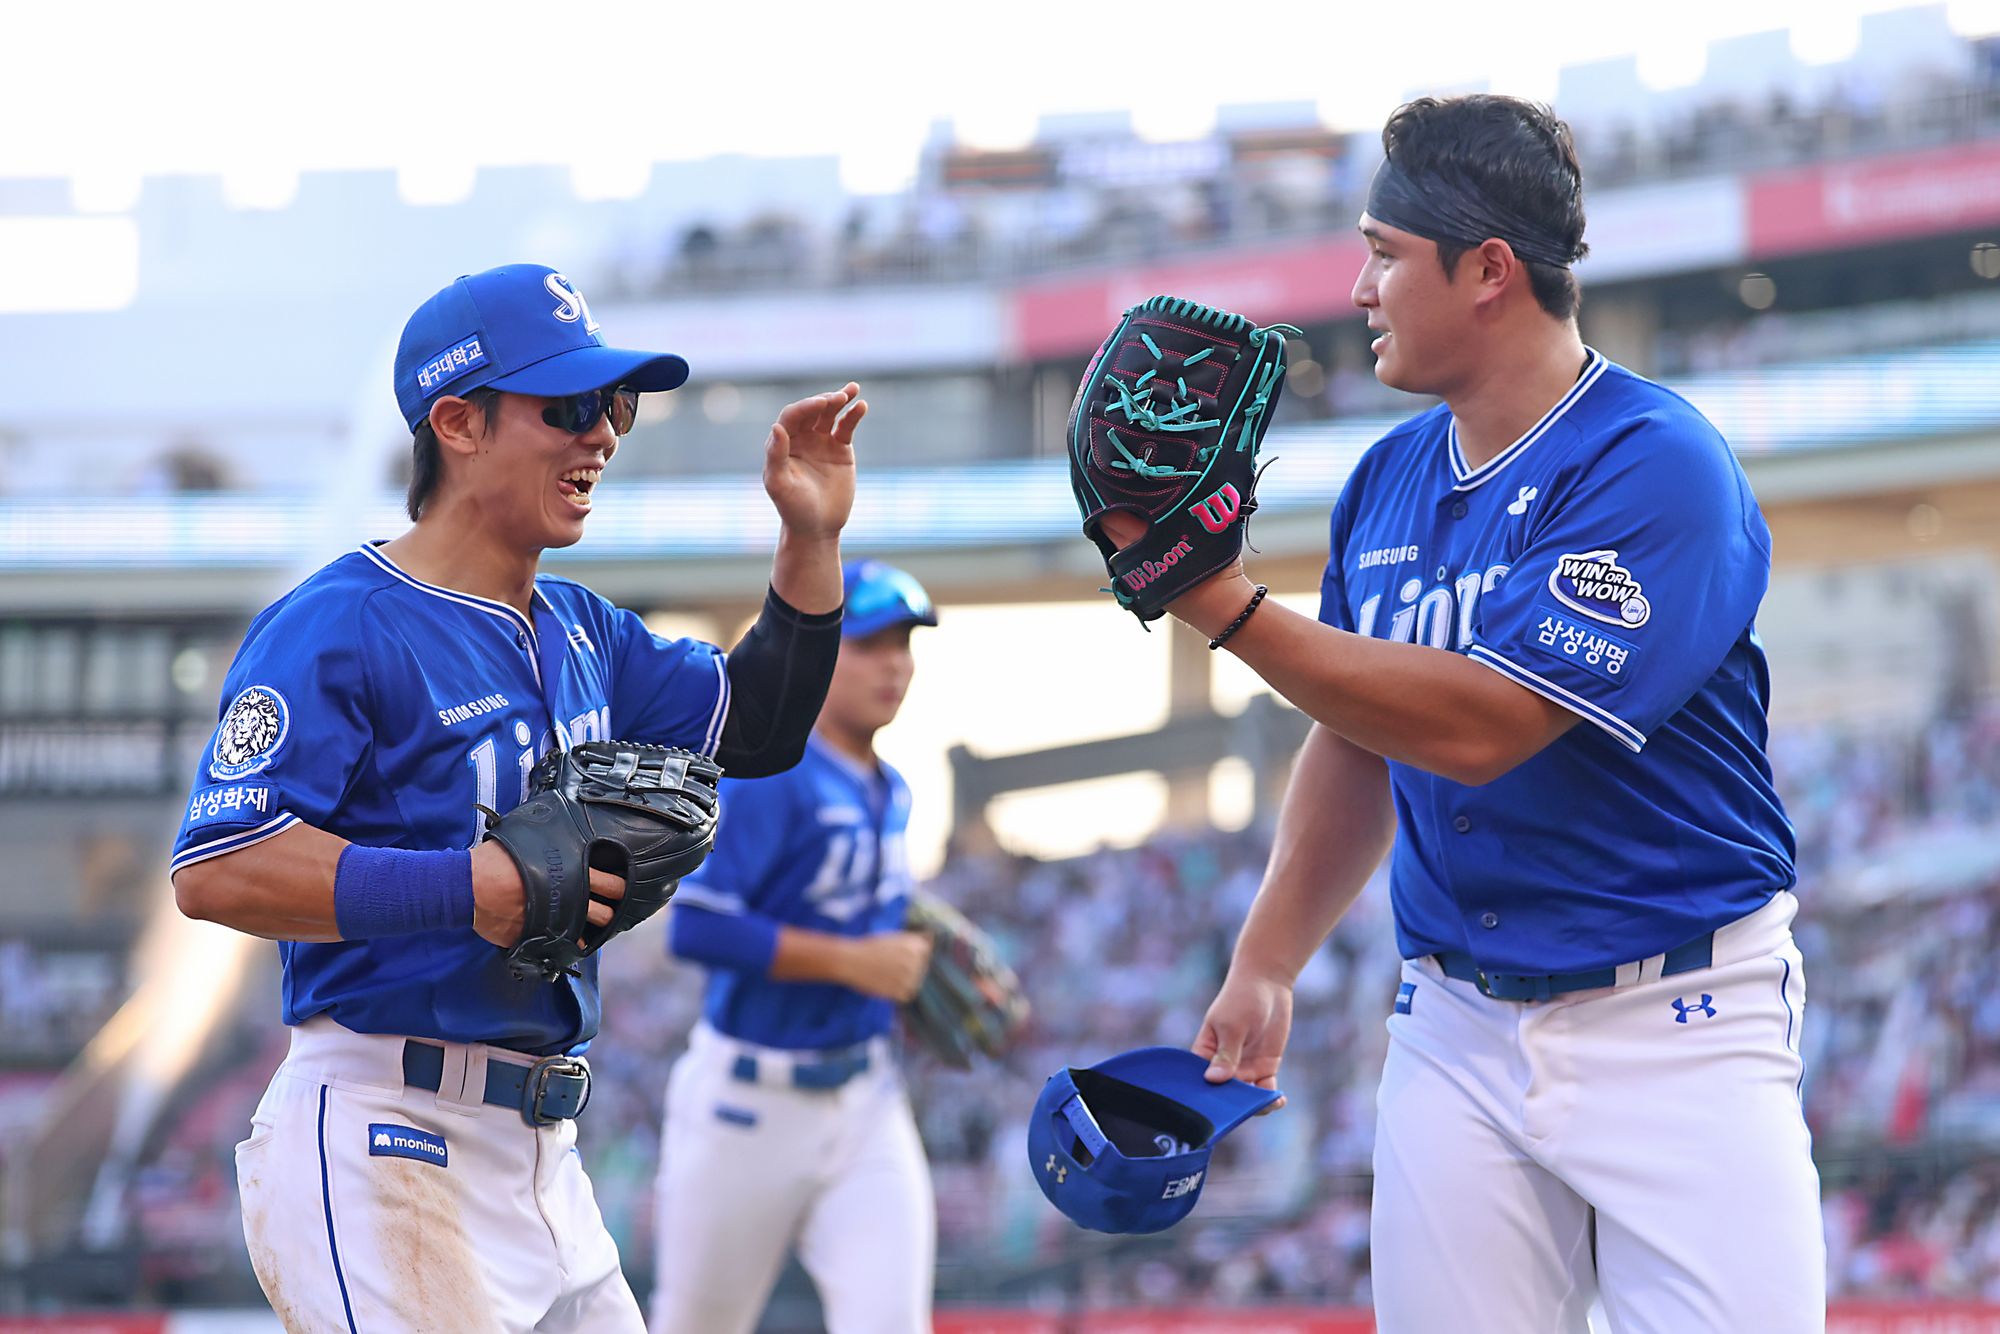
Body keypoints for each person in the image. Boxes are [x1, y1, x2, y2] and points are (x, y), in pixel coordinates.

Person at [1101, 96, 1823, 1331]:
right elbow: (1362, 732)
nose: (1360, 285)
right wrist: (1267, 958)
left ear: (1488, 269)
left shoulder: (1654, 461)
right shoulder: (1384, 479)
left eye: (1384, 252)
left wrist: (1218, 602)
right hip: (1456, 1022)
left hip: (1678, 1019)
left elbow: (1483, 726)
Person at [169, 261, 865, 1331]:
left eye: (616, 406)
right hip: (383, 1132)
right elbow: (218, 867)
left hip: (544, 1156)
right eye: (571, 405)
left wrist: (808, 539)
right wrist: (468, 885)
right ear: (457, 421)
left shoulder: (585, 628)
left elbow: (761, 723)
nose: (603, 435)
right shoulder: (339, 621)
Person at [649, 559, 939, 1334]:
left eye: (905, 646)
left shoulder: (893, 787)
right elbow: (698, 926)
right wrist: (857, 962)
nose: (895, 665)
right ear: (826, 653)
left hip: (868, 1099)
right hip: (750, 1103)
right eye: (872, 643)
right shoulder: (770, 776)